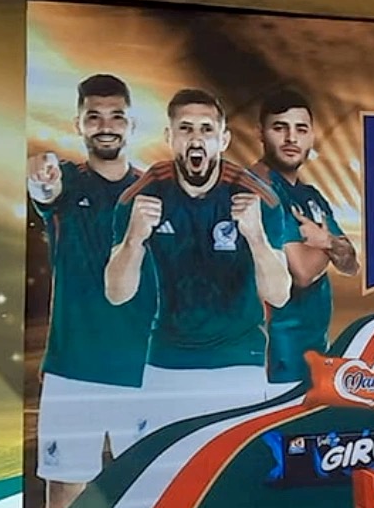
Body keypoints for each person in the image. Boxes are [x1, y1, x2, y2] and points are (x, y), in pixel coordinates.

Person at [107, 88, 294, 423]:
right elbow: (117, 293)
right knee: (163, 458)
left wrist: (255, 236)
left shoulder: (258, 198)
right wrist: (134, 240)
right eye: (186, 128)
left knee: (235, 457)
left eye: (206, 129)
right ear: (170, 137)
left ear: (223, 139)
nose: (196, 139)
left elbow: (279, 295)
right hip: (167, 361)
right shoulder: (141, 196)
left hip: (238, 362)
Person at [26, 74, 157, 508]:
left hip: (141, 371)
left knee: (144, 492)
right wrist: (39, 178)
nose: (106, 125)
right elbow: (43, 189)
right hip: (74, 369)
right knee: (64, 496)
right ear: (78, 124)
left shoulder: (152, 191)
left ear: (131, 125)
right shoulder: (65, 183)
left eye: (116, 116)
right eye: (94, 116)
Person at [253, 88, 360, 384]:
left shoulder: (310, 194)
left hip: (313, 347)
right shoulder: (260, 190)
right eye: (280, 128)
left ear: (311, 137)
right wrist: (331, 245)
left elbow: (351, 264)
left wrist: (325, 242)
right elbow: (300, 273)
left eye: (300, 129)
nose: (291, 138)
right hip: (275, 353)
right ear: (260, 133)